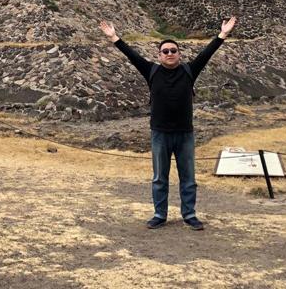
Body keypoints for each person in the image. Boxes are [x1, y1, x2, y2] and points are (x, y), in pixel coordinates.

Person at [99, 16, 237, 230]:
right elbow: (132, 56)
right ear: (159, 55)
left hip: (185, 134)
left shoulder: (189, 71)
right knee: (159, 178)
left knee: (188, 179)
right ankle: (159, 214)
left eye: (173, 50)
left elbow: (207, 54)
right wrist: (114, 38)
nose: (170, 54)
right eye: (165, 51)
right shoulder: (151, 71)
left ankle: (189, 214)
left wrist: (223, 35)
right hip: (160, 134)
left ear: (179, 54)